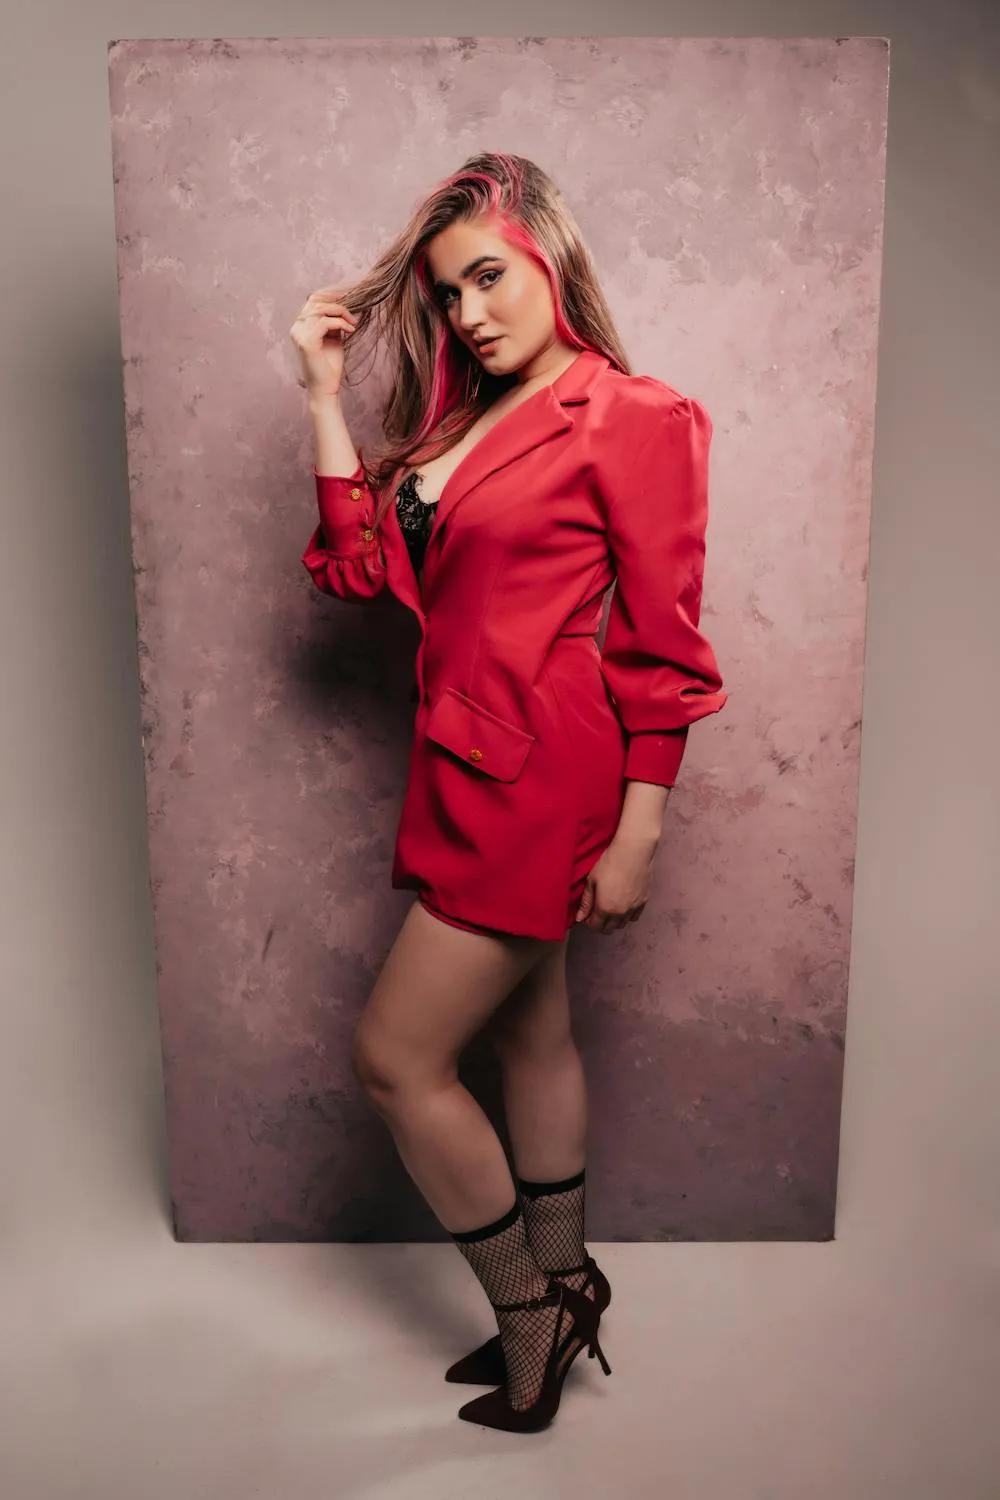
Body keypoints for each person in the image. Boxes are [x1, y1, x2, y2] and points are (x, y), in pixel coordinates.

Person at [289, 151, 728, 1432]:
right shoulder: (456, 420)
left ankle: (529, 1312)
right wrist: (323, 397)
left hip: (543, 774)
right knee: (529, 1035)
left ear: (550, 256)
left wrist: (639, 829)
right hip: (464, 760)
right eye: (449, 292)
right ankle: (574, 1277)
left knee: (395, 1060)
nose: (471, 312)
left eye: (488, 275)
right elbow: (358, 577)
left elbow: (665, 648)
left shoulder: (634, 418)